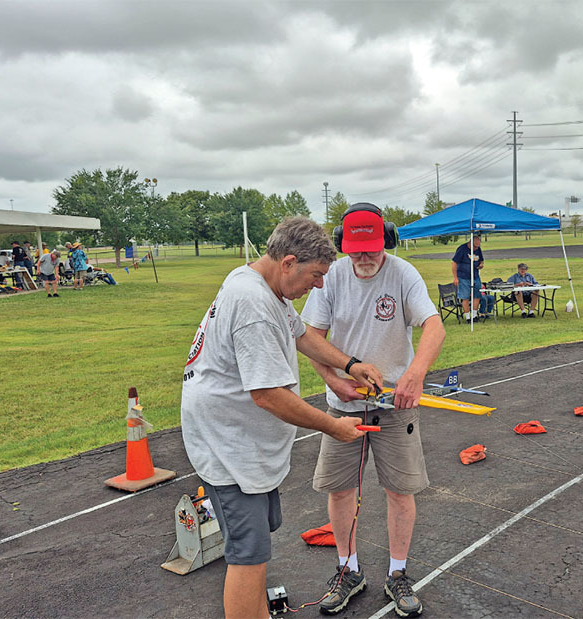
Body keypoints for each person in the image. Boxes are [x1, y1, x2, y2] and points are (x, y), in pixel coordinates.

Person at [180, 216, 384, 619]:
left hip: (242, 442)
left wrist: (351, 363)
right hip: (230, 447)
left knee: (255, 551)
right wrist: (333, 426)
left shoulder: (264, 285)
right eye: (317, 274)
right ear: (289, 262)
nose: (321, 284)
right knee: (247, 555)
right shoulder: (253, 304)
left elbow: (301, 333)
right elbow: (269, 396)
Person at [301, 202, 445, 617]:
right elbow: (310, 335)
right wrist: (333, 381)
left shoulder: (403, 274)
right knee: (340, 489)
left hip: (395, 406)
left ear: (387, 240)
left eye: (373, 248)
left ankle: (398, 573)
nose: (364, 257)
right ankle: (349, 569)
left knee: (401, 491)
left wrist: (414, 374)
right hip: (342, 405)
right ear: (342, 244)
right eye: (356, 249)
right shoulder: (331, 278)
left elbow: (433, 326)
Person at [451, 234, 486, 323]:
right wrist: (455, 277)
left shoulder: (478, 250)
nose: (478, 244)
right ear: (471, 242)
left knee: (477, 295)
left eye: (479, 242)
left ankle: (474, 316)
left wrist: (481, 264)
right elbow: (454, 263)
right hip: (463, 277)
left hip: (475, 276)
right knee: (465, 296)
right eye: (477, 242)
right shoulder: (462, 249)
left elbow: (481, 260)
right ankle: (467, 317)